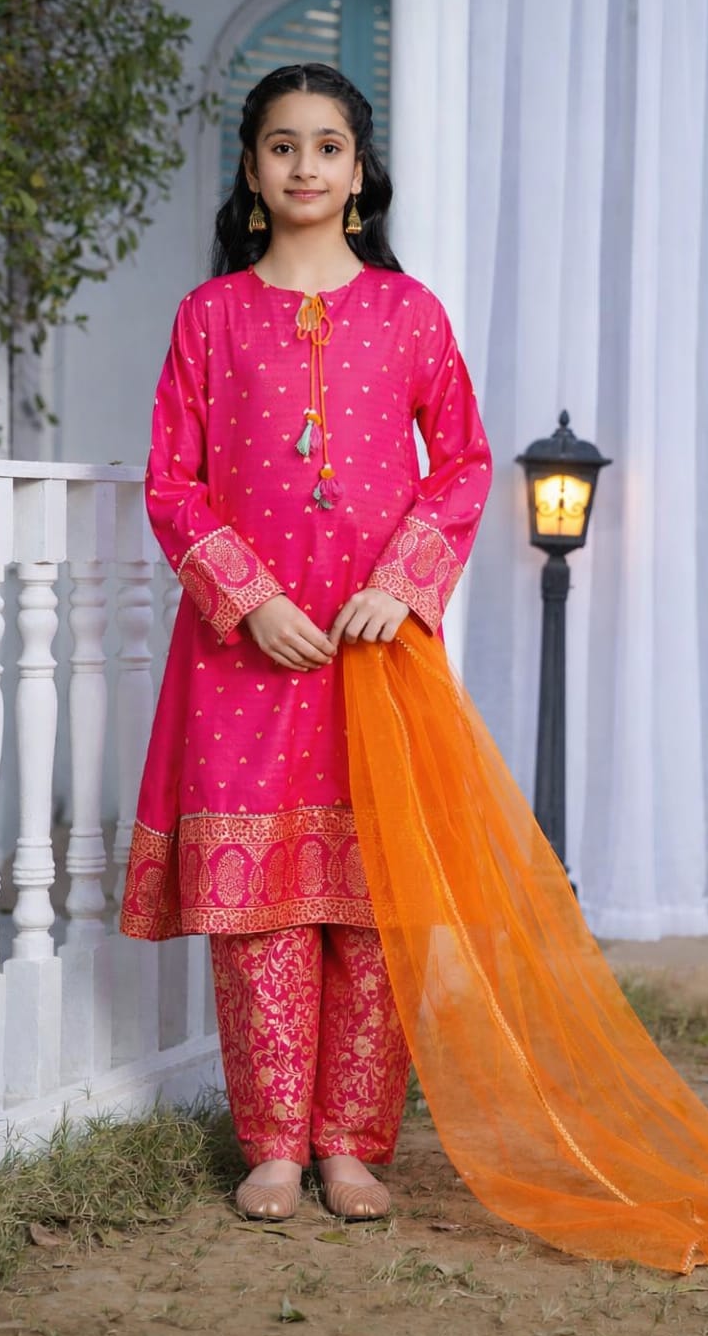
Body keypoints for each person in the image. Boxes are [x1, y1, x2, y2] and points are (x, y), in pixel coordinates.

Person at [119, 62, 492, 1222]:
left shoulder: (410, 312)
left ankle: (352, 1146)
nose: (305, 166)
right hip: (247, 651)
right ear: (250, 169)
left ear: (359, 172)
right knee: (262, 901)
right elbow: (172, 483)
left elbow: (465, 463)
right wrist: (247, 597)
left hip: (376, 647)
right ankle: (274, 1144)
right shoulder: (210, 317)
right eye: (282, 146)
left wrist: (402, 582)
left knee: (375, 901)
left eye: (327, 146)